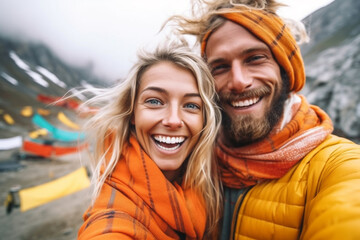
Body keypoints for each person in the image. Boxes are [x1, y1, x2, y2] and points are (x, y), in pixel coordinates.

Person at [169, 0, 360, 239]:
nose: (239, 81)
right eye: (219, 67)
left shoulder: (338, 166)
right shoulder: (186, 159)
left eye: (255, 58)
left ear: (285, 69)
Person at [77, 40, 222, 239]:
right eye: (154, 101)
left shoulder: (204, 191)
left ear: (204, 120)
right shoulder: (112, 222)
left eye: (191, 105)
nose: (173, 120)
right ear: (132, 114)